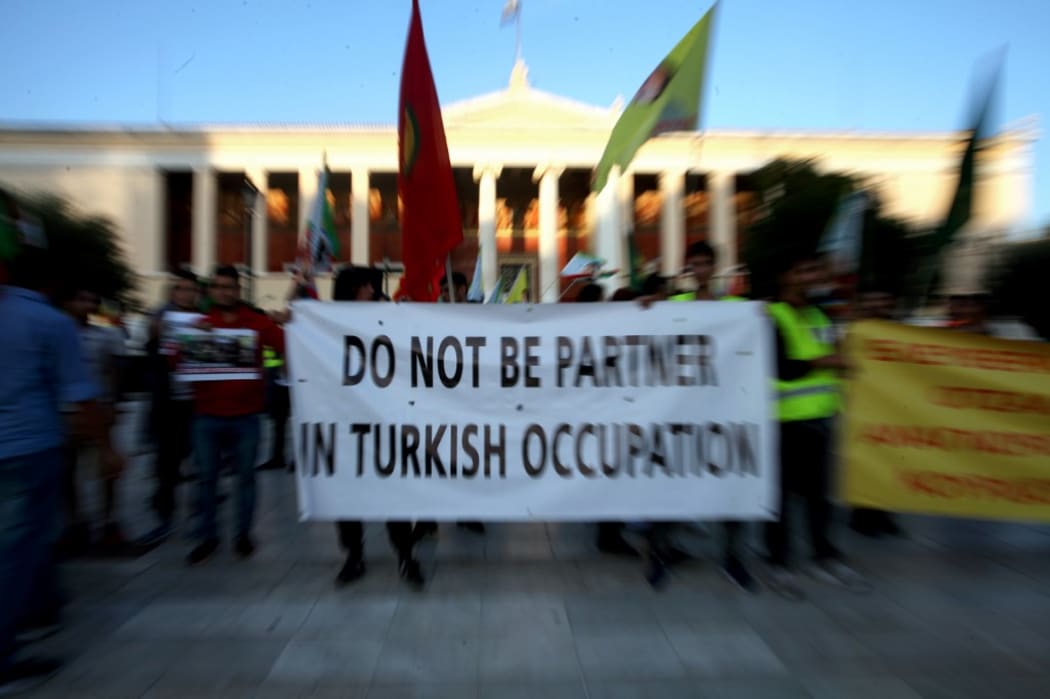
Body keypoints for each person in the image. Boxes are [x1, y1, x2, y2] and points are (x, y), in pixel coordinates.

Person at [0, 197, 124, 692]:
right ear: (51, 285)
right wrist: (108, 448)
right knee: (17, 551)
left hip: (25, 447)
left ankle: (38, 612)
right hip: (28, 450)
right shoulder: (48, 323)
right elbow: (81, 396)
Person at [764, 248, 866, 599]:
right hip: (784, 422)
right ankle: (778, 561)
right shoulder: (771, 316)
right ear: (786, 277)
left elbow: (834, 359)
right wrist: (827, 360)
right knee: (779, 500)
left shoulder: (820, 317)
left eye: (814, 271)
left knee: (819, 498)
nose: (811, 278)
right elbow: (781, 367)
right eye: (803, 271)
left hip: (821, 419)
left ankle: (824, 555)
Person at [332, 266, 426, 588]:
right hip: (348, 425)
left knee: (394, 493)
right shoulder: (328, 323)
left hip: (388, 423)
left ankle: (405, 555)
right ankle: (353, 556)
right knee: (348, 497)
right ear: (352, 290)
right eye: (367, 287)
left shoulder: (388, 318)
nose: (373, 291)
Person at [186, 265, 286, 565]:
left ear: (237, 290)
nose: (223, 292)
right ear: (211, 291)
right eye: (217, 287)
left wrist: (291, 321)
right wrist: (191, 338)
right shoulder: (200, 323)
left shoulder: (256, 323)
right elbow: (177, 361)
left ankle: (243, 535)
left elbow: (285, 344)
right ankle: (207, 536)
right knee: (206, 480)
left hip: (247, 417)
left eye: (228, 287)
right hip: (206, 416)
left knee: (246, 479)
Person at [61, 285, 130, 554]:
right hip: (64, 412)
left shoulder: (107, 336)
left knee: (108, 469)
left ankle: (109, 521)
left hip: (98, 410)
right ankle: (75, 522)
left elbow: (115, 372)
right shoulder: (58, 334)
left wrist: (114, 404)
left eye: (92, 300)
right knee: (67, 473)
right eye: (81, 299)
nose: (87, 306)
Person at [140, 269, 201, 546]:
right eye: (182, 289)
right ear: (174, 293)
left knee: (200, 464)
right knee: (166, 465)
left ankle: (200, 519)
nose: (187, 294)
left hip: (197, 404)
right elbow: (152, 359)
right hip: (168, 405)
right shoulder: (160, 321)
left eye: (192, 290)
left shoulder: (206, 320)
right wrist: (155, 336)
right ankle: (165, 517)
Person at [847, 288, 904, 539]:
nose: (877, 304)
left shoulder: (902, 334)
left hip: (893, 408)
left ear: (890, 303)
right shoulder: (856, 332)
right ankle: (862, 516)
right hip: (863, 407)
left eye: (881, 298)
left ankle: (884, 514)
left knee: (890, 463)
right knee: (866, 465)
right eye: (871, 299)